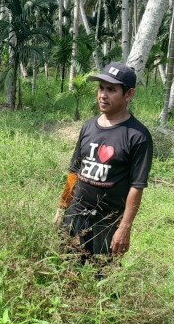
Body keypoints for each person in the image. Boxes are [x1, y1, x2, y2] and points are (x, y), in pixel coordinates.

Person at [56, 62, 153, 269]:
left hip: (107, 223)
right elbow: (74, 171)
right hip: (75, 215)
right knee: (66, 272)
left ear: (128, 94)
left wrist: (124, 228)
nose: (103, 95)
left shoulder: (137, 136)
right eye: (101, 88)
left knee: (101, 277)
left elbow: (136, 187)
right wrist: (62, 208)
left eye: (111, 89)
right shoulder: (88, 127)